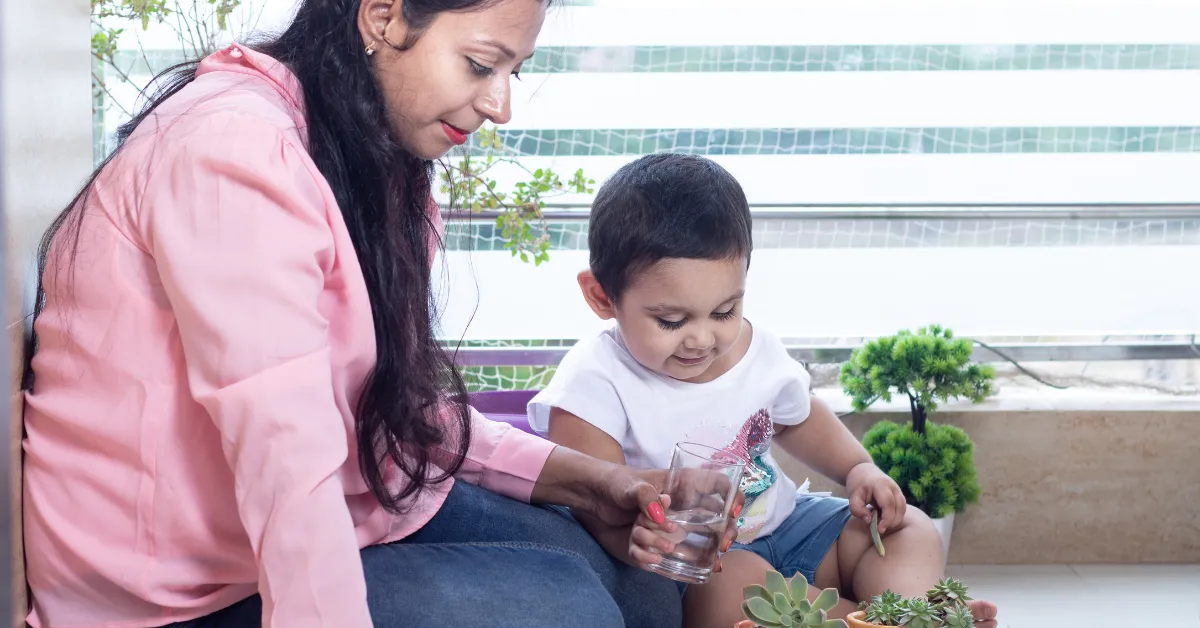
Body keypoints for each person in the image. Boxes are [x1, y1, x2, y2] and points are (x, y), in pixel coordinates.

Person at [20, 2, 741, 627]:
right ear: (383, 16)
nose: (501, 105)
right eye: (481, 64)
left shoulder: (361, 154)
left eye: (513, 72)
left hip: (322, 516)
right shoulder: (232, 150)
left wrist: (597, 482)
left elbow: (397, 413)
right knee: (571, 610)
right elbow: (285, 462)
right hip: (176, 595)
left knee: (646, 590)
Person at [526, 153, 1001, 628]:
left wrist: (858, 469)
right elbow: (593, 493)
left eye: (724, 310)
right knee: (736, 594)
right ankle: (889, 622)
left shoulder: (754, 349)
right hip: (705, 562)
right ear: (602, 297)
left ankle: (902, 611)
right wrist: (638, 530)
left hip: (794, 526)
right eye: (671, 321)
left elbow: (799, 415)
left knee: (909, 528)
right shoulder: (594, 380)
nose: (702, 338)